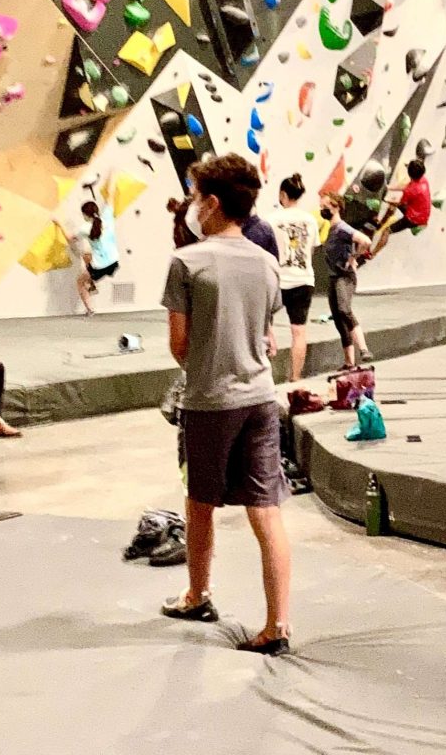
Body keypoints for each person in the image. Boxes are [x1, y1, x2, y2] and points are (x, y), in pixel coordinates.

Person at [160, 154, 291, 657]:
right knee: (266, 511)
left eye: (196, 196)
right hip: (260, 397)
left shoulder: (187, 262)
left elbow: (180, 345)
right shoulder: (266, 263)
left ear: (211, 202)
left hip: (210, 400)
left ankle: (197, 594)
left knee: (200, 502)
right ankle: (278, 624)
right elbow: (266, 333)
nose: (193, 206)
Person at [265, 173, 319, 382]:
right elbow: (312, 251)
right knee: (299, 332)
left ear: (282, 194)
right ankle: (295, 378)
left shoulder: (271, 220)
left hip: (278, 281)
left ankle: (265, 378)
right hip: (303, 280)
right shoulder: (310, 220)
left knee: (264, 329)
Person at [320, 192, 374, 369]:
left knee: (344, 310)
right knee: (337, 318)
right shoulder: (331, 229)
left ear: (336, 207)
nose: (322, 210)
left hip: (345, 276)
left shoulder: (342, 228)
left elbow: (364, 240)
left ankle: (364, 349)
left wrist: (354, 256)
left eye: (325, 207)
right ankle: (349, 362)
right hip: (334, 276)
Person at [56, 187, 120, 316]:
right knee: (86, 255)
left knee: (79, 282)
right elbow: (110, 196)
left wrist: (58, 223)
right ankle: (91, 283)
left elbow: (69, 238)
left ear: (85, 215)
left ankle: (90, 310)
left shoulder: (85, 228)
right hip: (114, 262)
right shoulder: (107, 217)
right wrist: (113, 173)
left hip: (99, 267)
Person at [372, 159, 432, 259]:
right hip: (422, 212)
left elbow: (401, 202)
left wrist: (387, 199)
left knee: (387, 231)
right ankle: (387, 215)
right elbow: (406, 186)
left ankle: (372, 253)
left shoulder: (410, 191)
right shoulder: (423, 180)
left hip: (413, 219)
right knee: (395, 202)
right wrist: (390, 188)